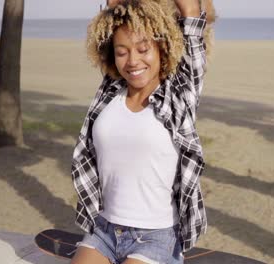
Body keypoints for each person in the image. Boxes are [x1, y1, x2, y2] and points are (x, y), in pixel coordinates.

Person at [70, 0, 208, 263]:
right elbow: (112, 8)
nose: (133, 61)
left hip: (156, 237)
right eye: (122, 52)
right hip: (104, 230)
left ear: (162, 48)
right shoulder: (110, 91)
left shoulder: (179, 95)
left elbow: (190, 11)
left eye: (143, 49)